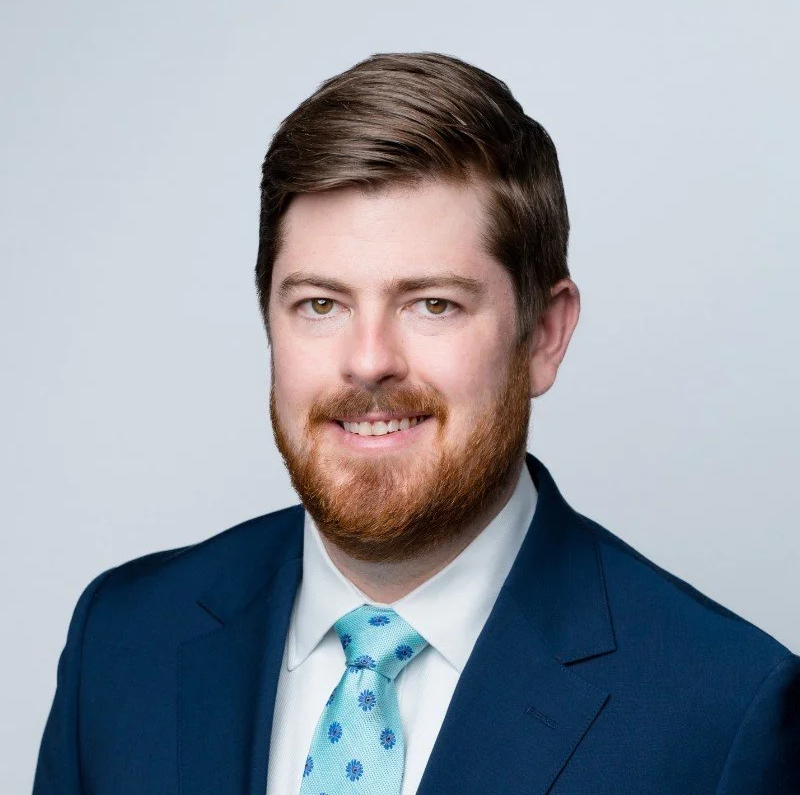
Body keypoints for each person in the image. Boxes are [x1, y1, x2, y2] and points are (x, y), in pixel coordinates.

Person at [34, 51, 799, 795]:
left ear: (544, 334)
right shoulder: (122, 640)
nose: (368, 363)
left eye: (433, 303)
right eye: (320, 305)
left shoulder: (723, 712)